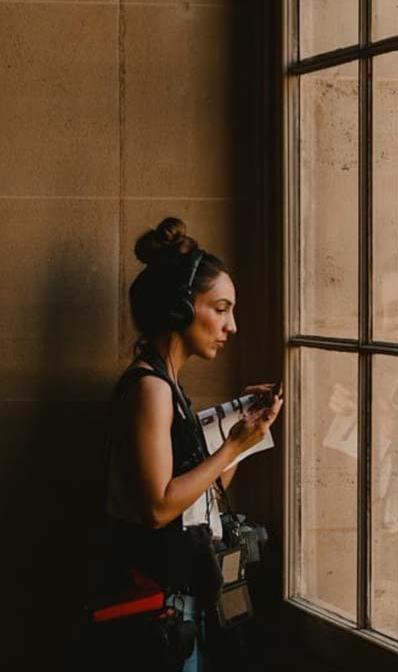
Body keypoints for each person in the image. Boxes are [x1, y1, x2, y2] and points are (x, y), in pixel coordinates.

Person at [102, 217, 283, 671]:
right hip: (159, 610)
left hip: (180, 604)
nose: (232, 325)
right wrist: (229, 447)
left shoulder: (170, 387)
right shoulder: (151, 389)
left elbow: (203, 489)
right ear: (181, 309)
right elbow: (159, 507)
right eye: (221, 308)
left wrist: (244, 432)